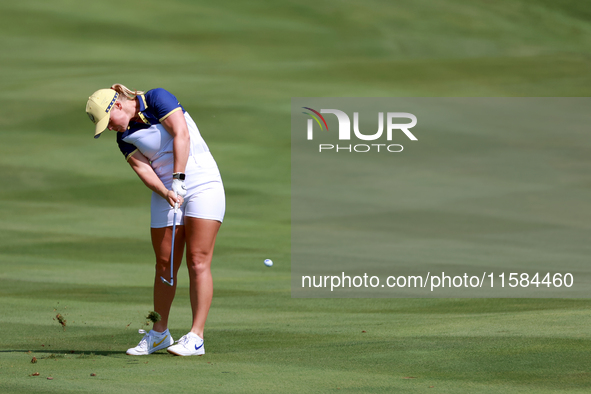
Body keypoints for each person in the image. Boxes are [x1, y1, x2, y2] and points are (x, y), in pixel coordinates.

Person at [85, 84, 225, 356]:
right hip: (167, 191)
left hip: (201, 183)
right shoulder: (124, 136)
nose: (110, 128)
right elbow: (142, 168)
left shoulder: (156, 98)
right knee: (164, 264)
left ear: (117, 105)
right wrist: (166, 191)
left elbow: (181, 134)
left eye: (108, 121)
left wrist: (179, 179)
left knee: (197, 259)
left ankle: (196, 337)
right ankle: (159, 333)